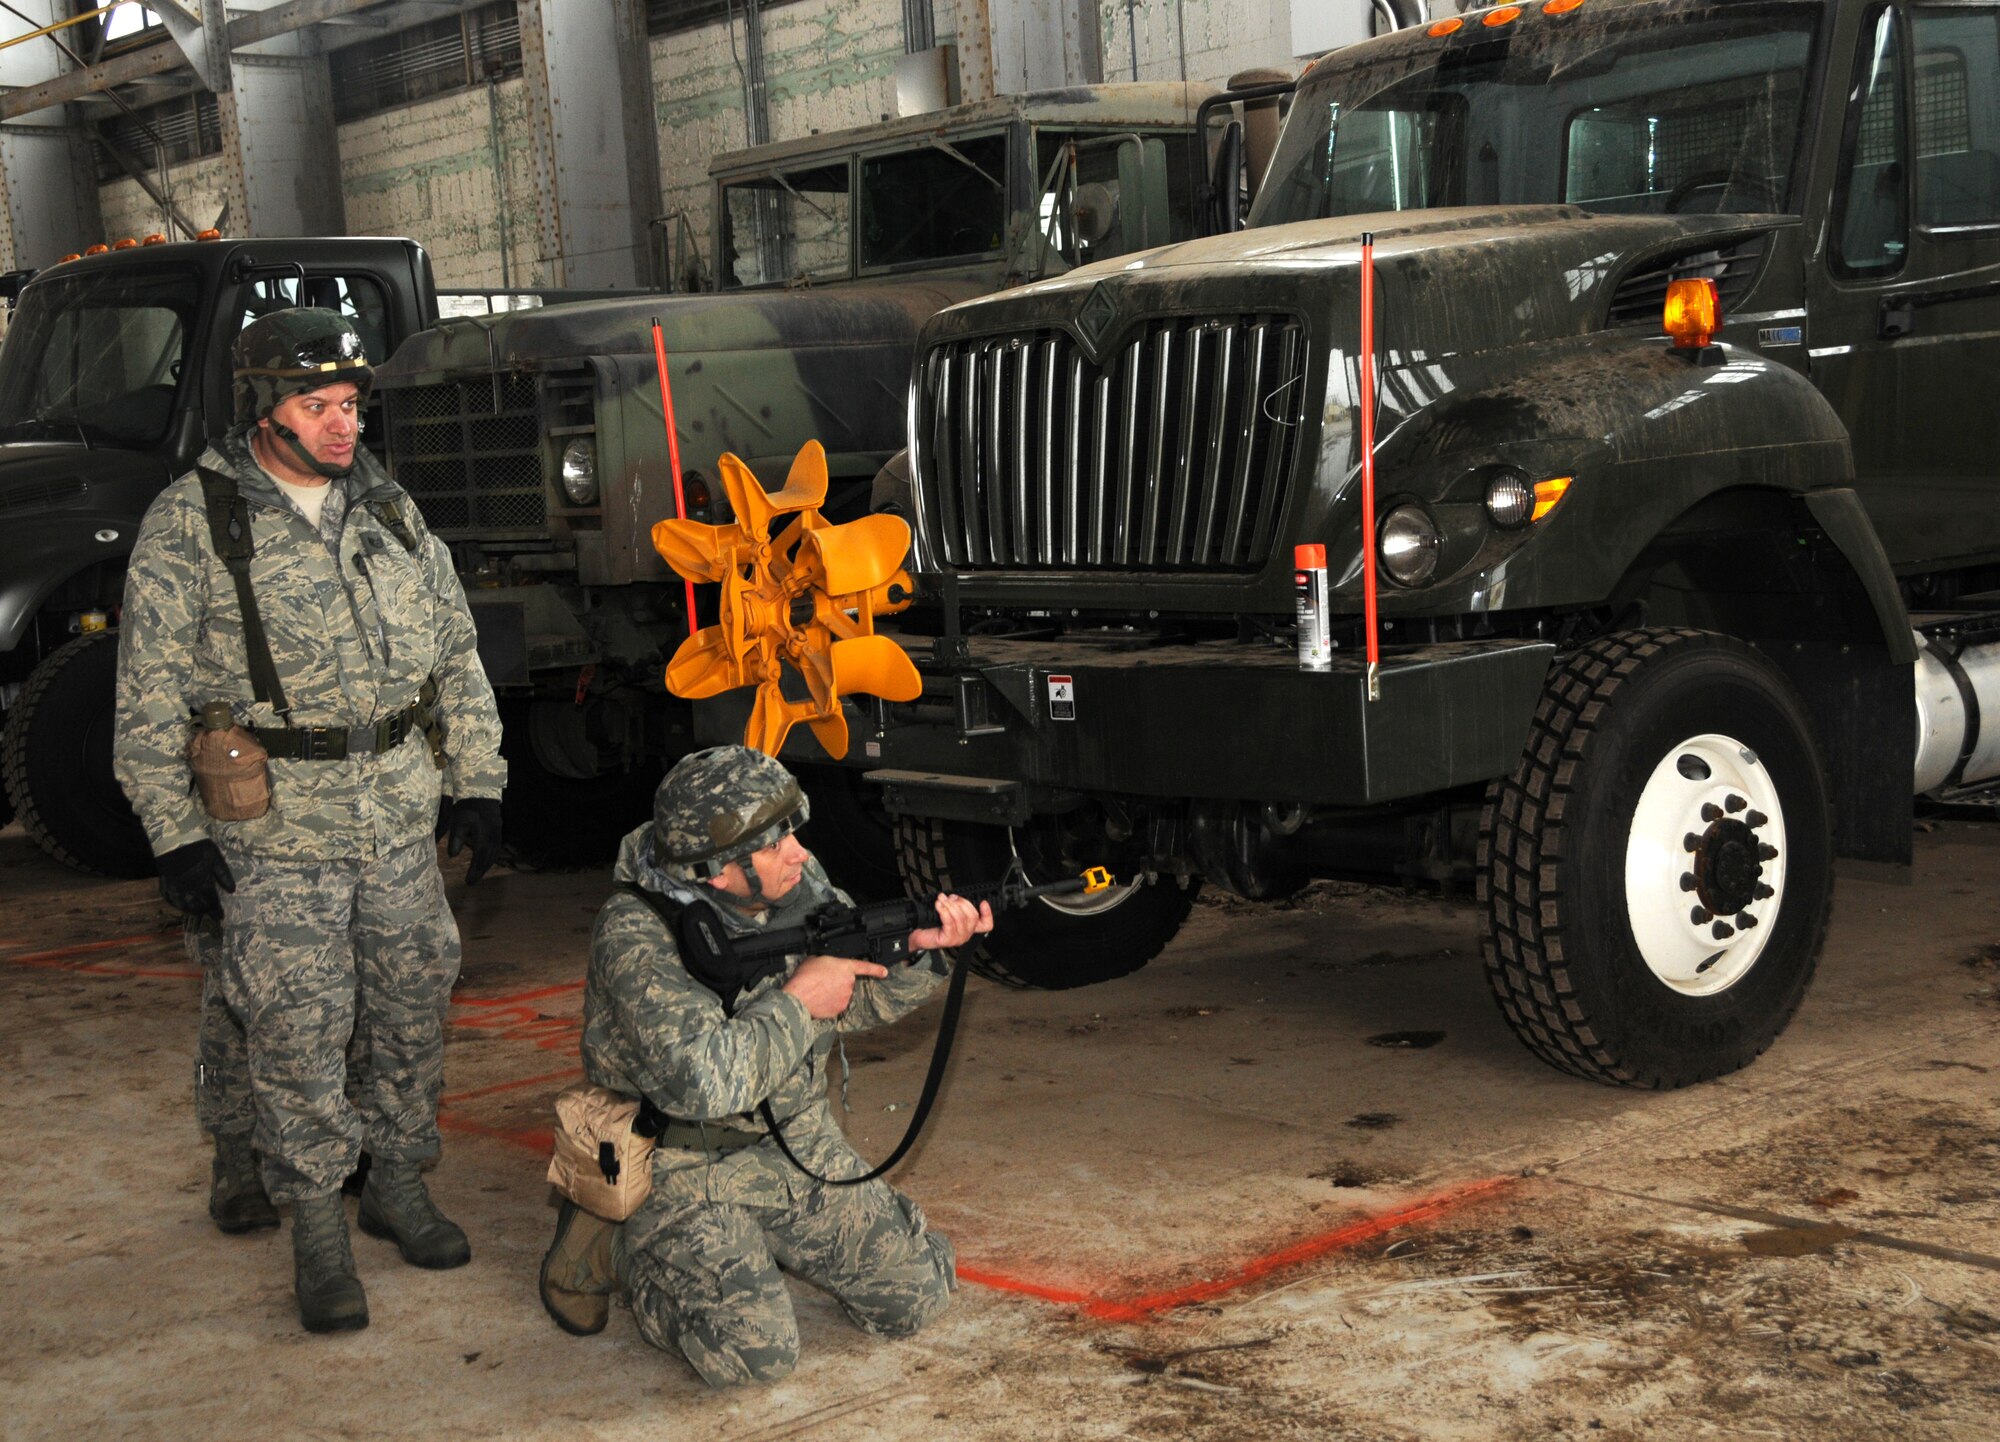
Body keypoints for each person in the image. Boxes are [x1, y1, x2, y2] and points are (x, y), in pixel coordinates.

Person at [112, 308, 507, 1334]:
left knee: (413, 1001)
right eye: (316, 405)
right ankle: (316, 1229)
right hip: (272, 828)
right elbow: (148, 692)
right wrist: (175, 832)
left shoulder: (390, 510)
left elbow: (454, 654)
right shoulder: (192, 520)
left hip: (395, 812)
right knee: (297, 1027)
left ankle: (396, 1182)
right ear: (262, 408)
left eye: (349, 403)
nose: (342, 425)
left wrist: (480, 780)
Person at [539, 745, 990, 1385]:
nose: (800, 854)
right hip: (678, 1163)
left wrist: (921, 954)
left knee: (915, 1294)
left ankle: (751, 1247)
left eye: (793, 835)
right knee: (754, 1355)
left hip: (791, 1139)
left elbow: (852, 1000)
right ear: (719, 871)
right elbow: (699, 1081)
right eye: (776, 845)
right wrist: (799, 1002)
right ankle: (619, 1246)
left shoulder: (794, 885)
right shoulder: (635, 934)